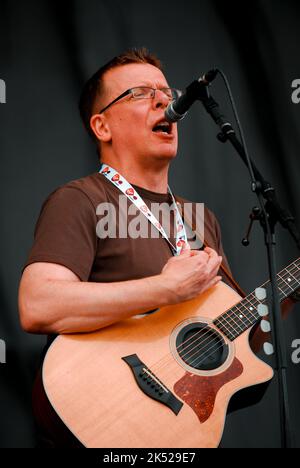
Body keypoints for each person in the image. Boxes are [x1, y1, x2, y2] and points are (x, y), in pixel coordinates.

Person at [18, 48, 298, 448]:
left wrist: (285, 294)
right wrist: (164, 290)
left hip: (170, 431)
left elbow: (229, 339)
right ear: (102, 126)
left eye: (167, 92)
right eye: (139, 93)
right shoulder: (80, 200)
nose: (165, 101)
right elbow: (38, 304)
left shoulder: (199, 220)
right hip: (97, 421)